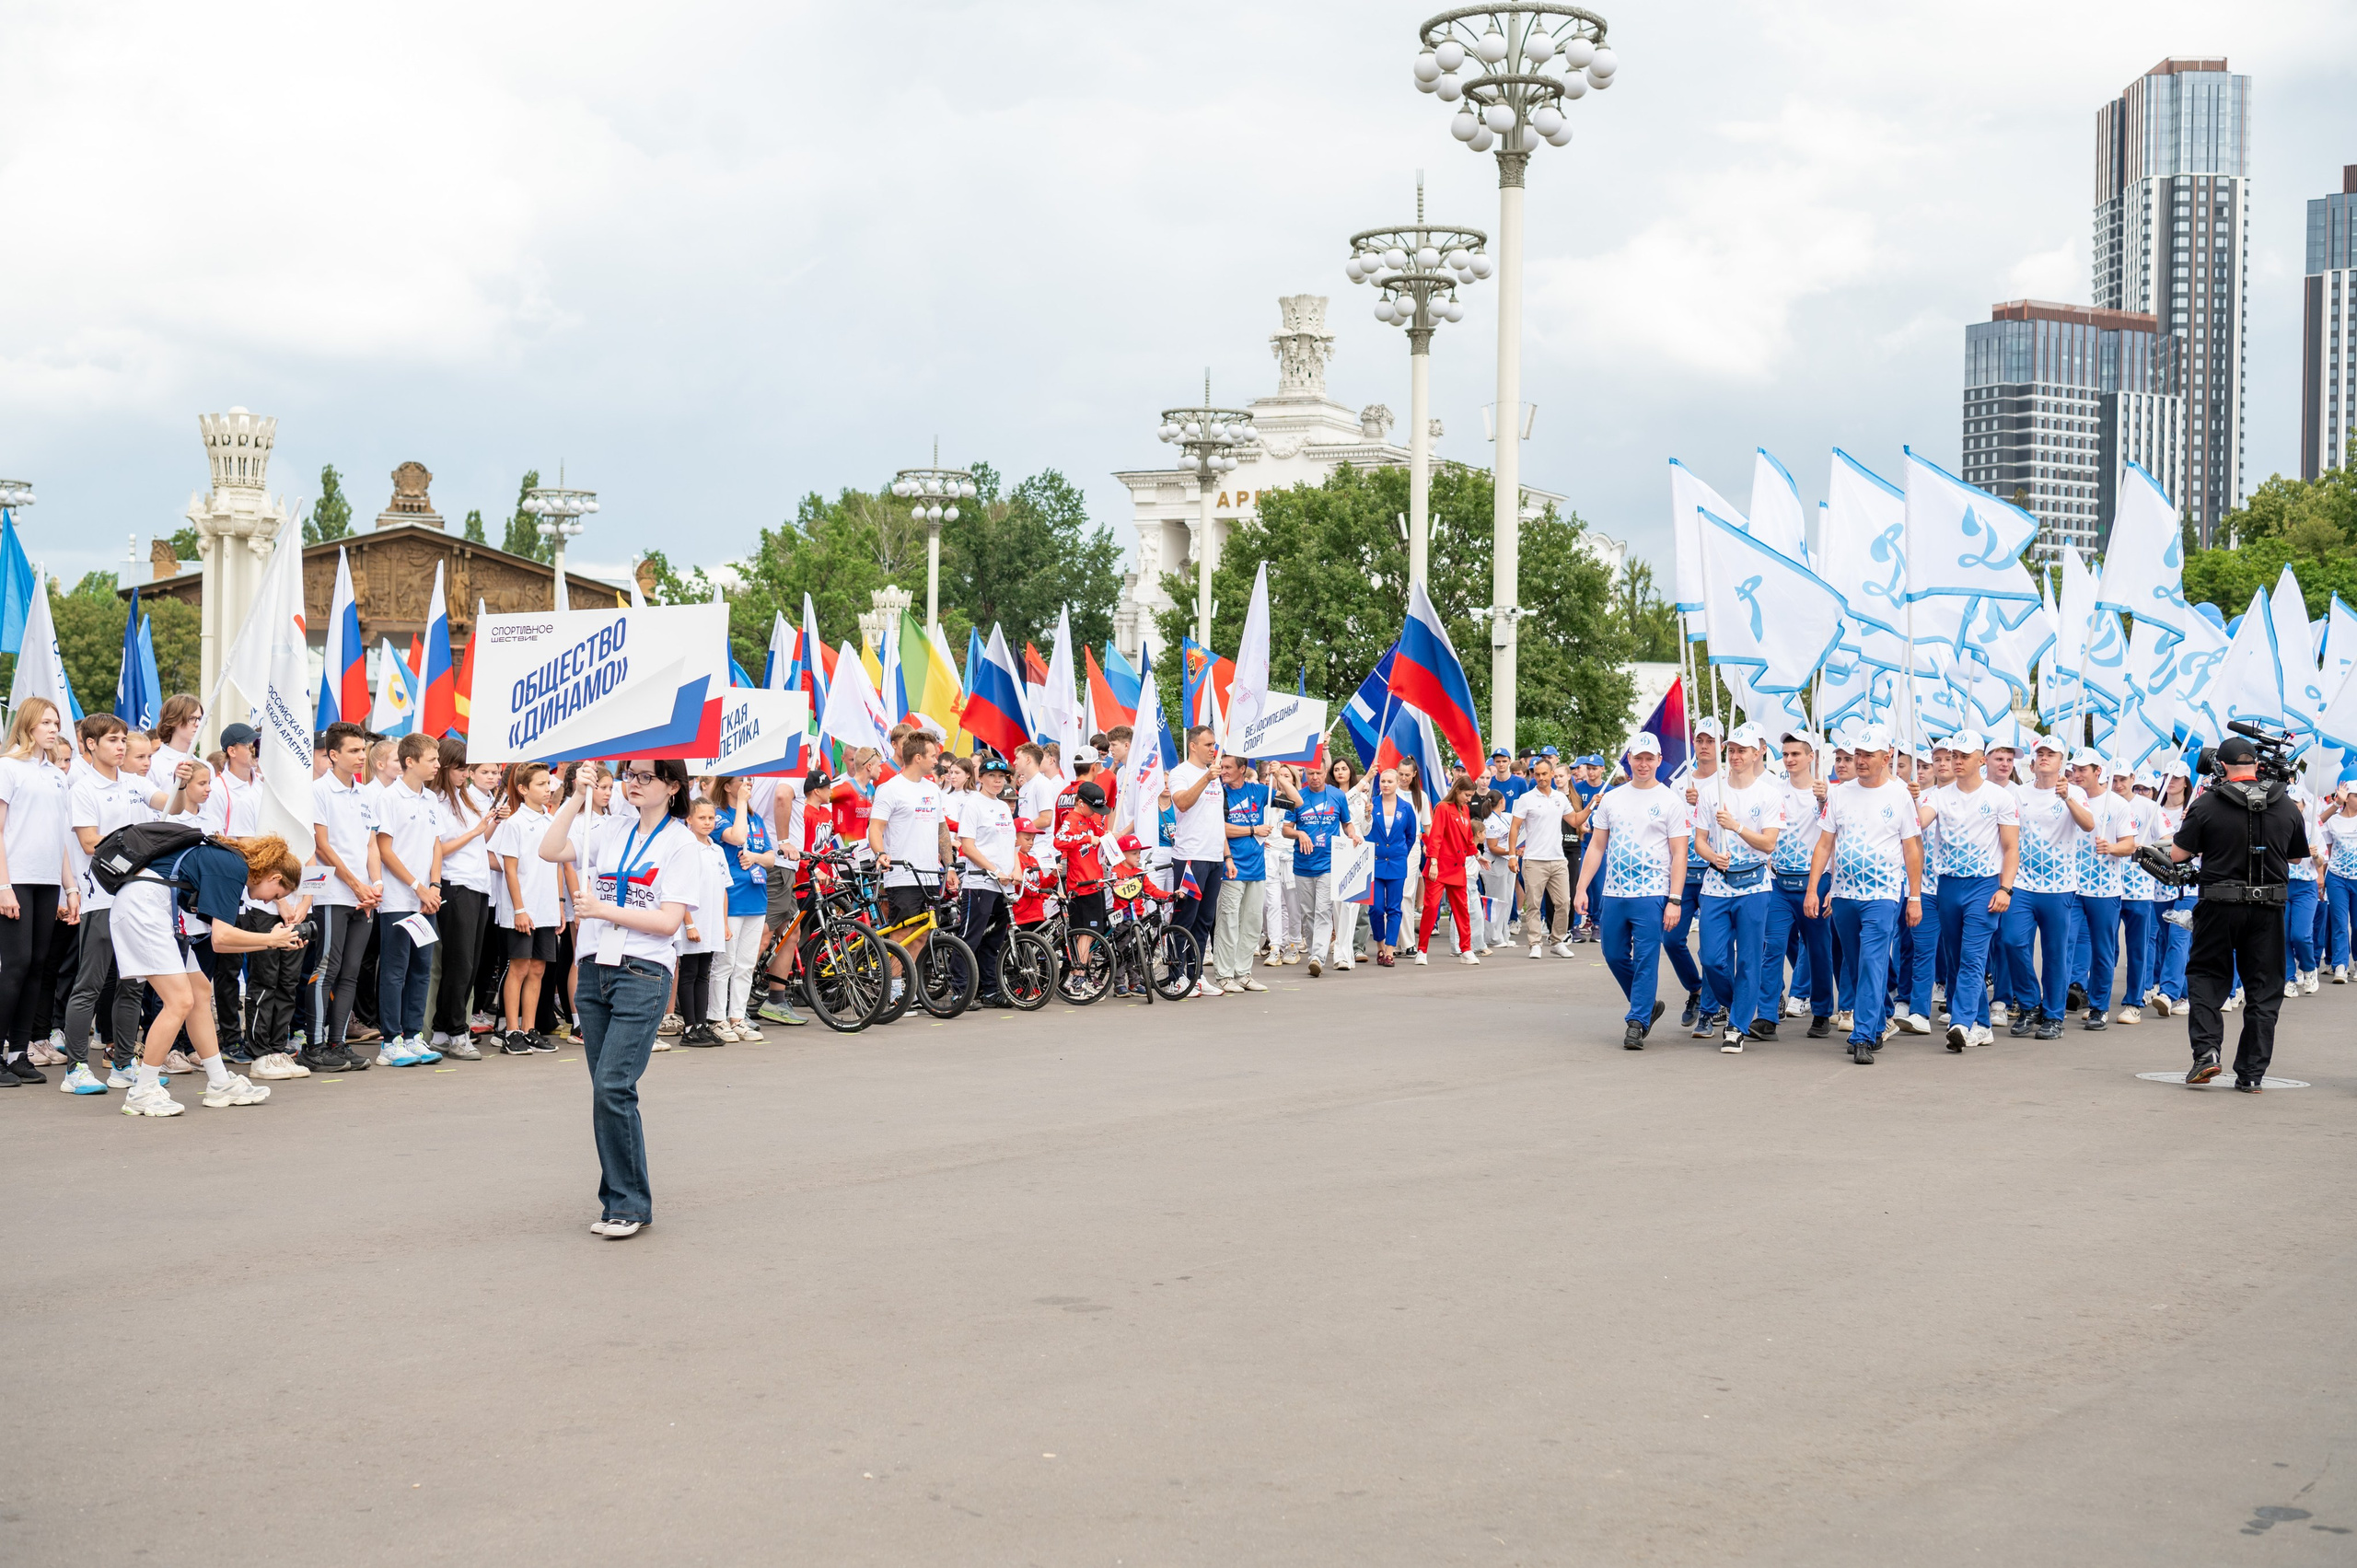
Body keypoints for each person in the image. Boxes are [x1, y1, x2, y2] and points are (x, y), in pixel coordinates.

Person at [540, 758, 702, 1237]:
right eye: (629, 775)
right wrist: (574, 797)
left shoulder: (681, 843)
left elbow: (668, 922)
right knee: (607, 1092)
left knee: (612, 1086)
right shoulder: (610, 830)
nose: (633, 783)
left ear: (672, 786)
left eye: (645, 777)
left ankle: (629, 1203)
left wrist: (603, 907)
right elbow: (550, 849)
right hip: (594, 971)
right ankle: (619, 1198)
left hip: (642, 972)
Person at [109, 832, 309, 1117]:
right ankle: (142, 1090)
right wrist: (271, 939)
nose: (269, 902)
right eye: (276, 896)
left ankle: (219, 1082)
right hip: (145, 910)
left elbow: (220, 939)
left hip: (155, 911)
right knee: (179, 1002)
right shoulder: (233, 868)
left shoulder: (231, 863)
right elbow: (222, 937)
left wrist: (269, 939)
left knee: (200, 994)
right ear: (274, 877)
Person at [2162, 737, 2310, 1088]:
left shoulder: (2207, 804)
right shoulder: (2286, 805)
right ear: (2257, 766)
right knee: (2263, 988)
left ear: (2222, 767)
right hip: (2269, 908)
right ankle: (2252, 1073)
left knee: (2206, 978)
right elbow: (2296, 857)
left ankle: (2207, 1053)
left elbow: (2179, 855)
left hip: (2218, 905)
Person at [55, 715, 170, 1097]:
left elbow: (171, 805)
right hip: (101, 898)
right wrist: (141, 841)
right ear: (90, 745)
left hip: (138, 898)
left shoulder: (137, 783)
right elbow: (90, 843)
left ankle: (123, 1064)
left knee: (132, 985)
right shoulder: (84, 789)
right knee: (88, 985)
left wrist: (184, 785)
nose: (121, 747)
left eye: (124, 740)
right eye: (112, 740)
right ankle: (75, 1069)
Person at [1803, 723, 1922, 1064]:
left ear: (1886, 757)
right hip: (1843, 894)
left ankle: (1864, 1035)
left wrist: (1913, 897)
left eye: (1869, 755)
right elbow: (1825, 843)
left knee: (1872, 962)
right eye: (1857, 755)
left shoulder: (1899, 794)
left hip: (1883, 894)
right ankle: (1882, 1014)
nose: (1861, 761)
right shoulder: (1839, 792)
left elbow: (1911, 849)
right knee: (1856, 965)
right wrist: (1814, 890)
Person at [1573, 732, 1687, 1048]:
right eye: (1638, 757)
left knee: (1647, 957)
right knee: (1612, 953)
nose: (1644, 764)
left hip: (1652, 893)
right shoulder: (1612, 798)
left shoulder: (1669, 800)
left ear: (1659, 761)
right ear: (1629, 760)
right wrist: (1582, 888)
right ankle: (1647, 1005)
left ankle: (1636, 1021)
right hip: (1615, 892)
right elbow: (1596, 846)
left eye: (1650, 758)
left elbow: (1680, 853)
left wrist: (1674, 900)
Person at [0, 698, 81, 1086]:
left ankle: (19, 1052)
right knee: (14, 967)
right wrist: (3, 886)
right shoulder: (7, 767)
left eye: (56, 723)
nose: (53, 729)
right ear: (29, 725)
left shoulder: (56, 775)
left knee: (37, 967)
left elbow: (60, 836)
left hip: (48, 882)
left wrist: (70, 887)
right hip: (14, 881)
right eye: (46, 722)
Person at [1920, 733, 2017, 1051]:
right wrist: (1910, 799)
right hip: (1947, 884)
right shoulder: (1938, 795)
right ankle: (1983, 1025)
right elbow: (1919, 822)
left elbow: (2011, 846)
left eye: (1964, 756)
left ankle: (1961, 1022)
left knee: (1973, 957)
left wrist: (2005, 888)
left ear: (1981, 760)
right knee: (1955, 958)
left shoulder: (2000, 797)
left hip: (1984, 885)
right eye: (1953, 756)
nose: (1957, 762)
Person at [1690, 723, 1785, 1051]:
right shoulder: (1710, 792)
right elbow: (1699, 841)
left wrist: (1737, 826)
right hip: (1716, 884)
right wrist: (1713, 857)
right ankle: (1739, 1003)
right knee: (1712, 957)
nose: (1735, 756)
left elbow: (1769, 843)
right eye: (1731, 750)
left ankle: (1737, 1025)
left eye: (1742, 750)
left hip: (1755, 885)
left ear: (1757, 752)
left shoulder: (1769, 794)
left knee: (1748, 959)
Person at [1997, 737, 2092, 1040]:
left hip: (2059, 886)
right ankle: (2029, 1005)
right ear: (2034, 761)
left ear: (2062, 761)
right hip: (2022, 883)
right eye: (2041, 753)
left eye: (2052, 754)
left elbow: (2089, 825)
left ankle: (2054, 1015)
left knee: (2055, 953)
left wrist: (2068, 799)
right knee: (2011, 941)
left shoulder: (2073, 791)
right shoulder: (2018, 793)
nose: (2045, 758)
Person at [1756, 730, 1833, 1040]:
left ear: (1811, 756)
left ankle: (1823, 1011)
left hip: (1815, 881)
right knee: (1771, 947)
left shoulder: (1827, 792)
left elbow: (1834, 841)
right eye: (1786, 754)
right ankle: (1766, 1015)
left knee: (1818, 950)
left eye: (1796, 754)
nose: (1789, 760)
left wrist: (1825, 799)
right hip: (1779, 883)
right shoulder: (1774, 790)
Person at [492, 762, 563, 1054]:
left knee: (538, 969)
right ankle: (511, 1030)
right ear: (522, 789)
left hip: (546, 908)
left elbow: (557, 865)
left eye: (549, 784)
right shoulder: (514, 824)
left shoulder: (552, 822)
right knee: (519, 967)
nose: (547, 789)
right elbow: (510, 870)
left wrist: (559, 905)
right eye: (541, 784)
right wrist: (520, 910)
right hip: (522, 909)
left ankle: (530, 1028)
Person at [869, 732, 957, 947]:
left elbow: (941, 830)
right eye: (933, 756)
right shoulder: (890, 788)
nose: (937, 760)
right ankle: (895, 982)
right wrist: (880, 853)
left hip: (930, 876)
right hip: (902, 877)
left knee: (921, 936)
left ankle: (911, 982)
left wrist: (950, 866)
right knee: (901, 936)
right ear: (918, 758)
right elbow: (875, 828)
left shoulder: (932, 789)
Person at [711, 775, 780, 1040]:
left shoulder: (756, 818)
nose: (748, 785)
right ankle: (717, 1018)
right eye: (741, 781)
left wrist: (755, 857)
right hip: (731, 898)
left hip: (756, 897)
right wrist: (740, 802)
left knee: (746, 964)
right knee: (724, 963)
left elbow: (771, 859)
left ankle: (737, 1017)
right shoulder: (718, 816)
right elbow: (737, 836)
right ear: (727, 786)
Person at [1284, 760, 1358, 977]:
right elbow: (1285, 829)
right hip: (1303, 864)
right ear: (1305, 773)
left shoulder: (1337, 795)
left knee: (1323, 910)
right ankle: (1315, 952)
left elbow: (1347, 823)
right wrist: (1300, 833)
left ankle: (1318, 957)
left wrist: (1353, 834)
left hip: (1329, 863)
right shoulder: (1297, 797)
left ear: (1325, 772)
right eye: (1310, 773)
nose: (1314, 777)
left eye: (1318, 773)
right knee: (1308, 913)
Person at [1167, 726, 1226, 997]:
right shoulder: (1181, 773)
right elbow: (1181, 803)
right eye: (1208, 744)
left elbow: (1217, 820)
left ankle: (1196, 975)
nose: (1213, 749)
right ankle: (1176, 976)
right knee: (1185, 918)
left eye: (1214, 744)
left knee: (1205, 921)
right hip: (1190, 856)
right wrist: (1205, 779)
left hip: (1214, 857)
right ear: (1193, 745)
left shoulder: (1215, 777)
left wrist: (1227, 855)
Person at [957, 756, 1019, 1005]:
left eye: (1001, 777)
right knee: (970, 937)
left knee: (994, 941)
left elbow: (1011, 845)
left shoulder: (1004, 807)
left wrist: (1016, 869)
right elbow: (968, 847)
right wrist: (994, 870)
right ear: (980, 777)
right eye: (992, 776)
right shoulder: (973, 804)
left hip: (1004, 885)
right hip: (980, 882)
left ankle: (991, 990)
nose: (997, 781)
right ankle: (961, 990)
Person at [672, 795, 731, 1047]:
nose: (708, 822)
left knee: (704, 973)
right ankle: (689, 1027)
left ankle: (701, 1023)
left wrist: (724, 923)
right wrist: (688, 923)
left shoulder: (716, 849)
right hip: (694, 922)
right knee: (689, 972)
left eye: (711, 818)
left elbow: (723, 889)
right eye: (702, 818)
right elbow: (679, 889)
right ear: (689, 819)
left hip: (712, 922)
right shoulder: (686, 848)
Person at [1508, 758, 1578, 958]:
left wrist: (1590, 805)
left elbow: (1574, 820)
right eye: (1536, 774)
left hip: (1558, 860)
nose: (1540, 778)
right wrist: (1512, 855)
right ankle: (1535, 943)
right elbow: (1515, 827)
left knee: (1564, 902)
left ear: (1552, 774)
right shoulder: (1527, 798)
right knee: (1534, 905)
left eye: (1544, 774)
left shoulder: (1560, 798)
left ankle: (1557, 941)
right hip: (1534, 859)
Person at [2113, 761, 2166, 1024]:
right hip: (2106, 887)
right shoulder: (2103, 803)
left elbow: (2168, 839)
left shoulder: (2148, 807)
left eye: (2123, 779)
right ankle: (2095, 999)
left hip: (2139, 889)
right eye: (2113, 779)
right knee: (2104, 948)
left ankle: (2134, 1001)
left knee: (2137, 947)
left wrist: (2147, 848)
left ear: (2132, 778)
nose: (2118, 784)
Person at [1213, 754, 1271, 992]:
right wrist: (1253, 829)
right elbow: (1219, 827)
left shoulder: (1257, 790)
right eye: (1222, 766)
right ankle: (1224, 975)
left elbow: (1296, 800)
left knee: (1252, 922)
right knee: (1228, 921)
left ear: (1242, 769)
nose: (1223, 771)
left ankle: (1243, 972)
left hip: (1257, 868)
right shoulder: (1220, 793)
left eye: (1228, 767)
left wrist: (1278, 773)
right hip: (1233, 867)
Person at [1419, 775, 1480, 964]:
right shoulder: (1444, 808)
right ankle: (1422, 950)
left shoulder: (1465, 810)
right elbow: (1435, 836)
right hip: (1439, 867)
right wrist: (1434, 862)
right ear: (1458, 790)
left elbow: (1468, 838)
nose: (1469, 799)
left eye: (1470, 796)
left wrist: (1478, 855)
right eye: (1467, 795)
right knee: (1430, 907)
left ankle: (1466, 949)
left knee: (1462, 909)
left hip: (1457, 867)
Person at [1361, 766, 1419, 968]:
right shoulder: (1370, 804)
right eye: (1383, 781)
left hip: (1396, 863)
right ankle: (1380, 944)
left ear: (1397, 784)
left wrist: (1399, 852)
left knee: (1394, 908)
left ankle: (1390, 950)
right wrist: (1366, 816)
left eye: (1389, 781)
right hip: (1374, 863)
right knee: (1376, 908)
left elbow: (1411, 836)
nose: (1385, 785)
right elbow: (1363, 830)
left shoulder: (1406, 807)